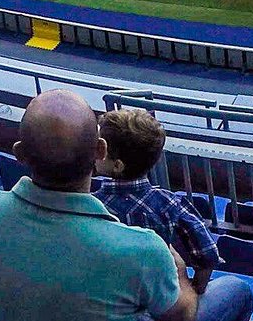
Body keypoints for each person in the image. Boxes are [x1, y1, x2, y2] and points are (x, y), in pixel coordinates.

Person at [0, 90, 251, 321]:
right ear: (100, 151)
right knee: (238, 291)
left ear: (19, 152)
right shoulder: (142, 250)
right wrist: (178, 273)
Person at [93, 107, 220, 297]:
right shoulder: (170, 204)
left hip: (112, 300)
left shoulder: (92, 205)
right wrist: (196, 289)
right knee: (238, 288)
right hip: (163, 303)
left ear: (118, 165)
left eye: (100, 147)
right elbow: (208, 254)